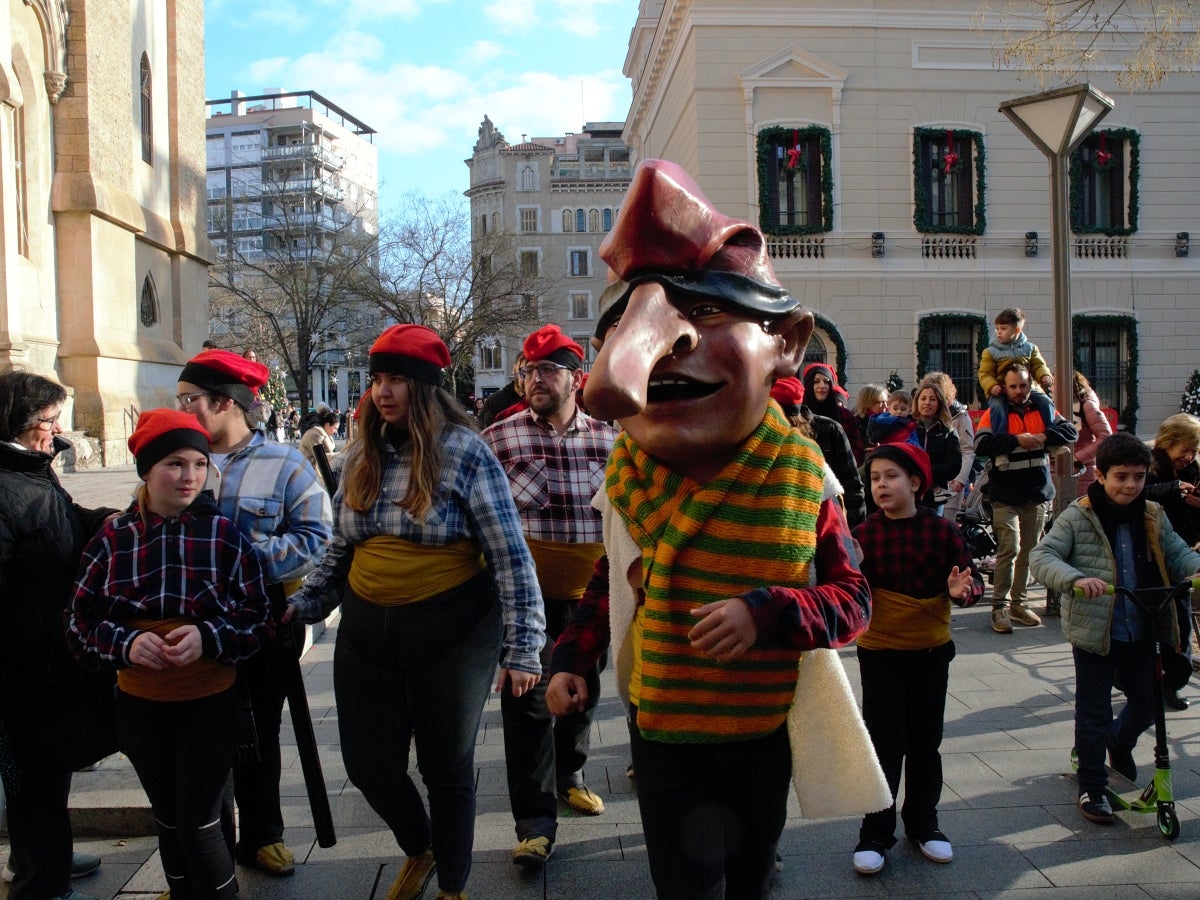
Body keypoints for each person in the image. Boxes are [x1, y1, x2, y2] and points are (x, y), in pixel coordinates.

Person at [545, 159, 888, 900]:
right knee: (684, 882)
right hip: (663, 728)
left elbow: (855, 599)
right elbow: (607, 584)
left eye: (704, 312)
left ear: (787, 343)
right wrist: (573, 656)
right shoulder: (627, 480)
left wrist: (769, 612)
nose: (660, 345)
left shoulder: (803, 479)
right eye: (625, 323)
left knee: (752, 876)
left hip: (757, 731)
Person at [288, 324, 546, 900]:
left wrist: (523, 647)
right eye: (378, 378)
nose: (383, 391)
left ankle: (453, 884)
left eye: (398, 380)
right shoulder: (360, 453)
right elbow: (340, 548)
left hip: (451, 633)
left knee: (445, 767)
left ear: (426, 387)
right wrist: (304, 606)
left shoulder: (466, 451)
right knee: (367, 766)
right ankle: (420, 845)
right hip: (365, 633)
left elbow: (509, 555)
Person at [66, 410, 272, 900]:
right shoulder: (114, 538)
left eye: (199, 464)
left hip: (209, 703)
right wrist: (127, 643)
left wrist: (209, 636)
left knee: (198, 822)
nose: (189, 477)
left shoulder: (223, 535)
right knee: (167, 817)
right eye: (175, 464)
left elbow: (257, 616)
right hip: (140, 709)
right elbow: (79, 623)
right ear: (147, 470)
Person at [176, 349, 333, 878]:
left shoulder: (285, 464)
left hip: (262, 620)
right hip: (188, 625)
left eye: (190, 400)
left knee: (260, 730)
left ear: (224, 403)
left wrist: (233, 560)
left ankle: (263, 836)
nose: (183, 409)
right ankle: (209, 851)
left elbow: (316, 540)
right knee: (201, 739)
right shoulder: (178, 459)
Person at [481, 324, 618, 867]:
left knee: (583, 688)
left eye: (547, 370)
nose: (535, 379)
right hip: (526, 598)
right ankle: (534, 823)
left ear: (576, 378)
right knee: (529, 703)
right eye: (528, 370)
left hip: (593, 595)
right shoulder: (501, 437)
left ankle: (570, 772)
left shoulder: (612, 437)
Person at [1029, 433, 1200, 824]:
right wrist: (1073, 578)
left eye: (1138, 477)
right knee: (1094, 709)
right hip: (1096, 630)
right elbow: (1043, 555)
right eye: (1120, 476)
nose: (1130, 485)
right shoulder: (1079, 514)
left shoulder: (1153, 513)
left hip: (1142, 625)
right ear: (1101, 476)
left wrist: (1195, 570)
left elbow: (1177, 554)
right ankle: (1092, 784)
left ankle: (1118, 741)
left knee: (1147, 702)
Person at [0, 369, 112, 900]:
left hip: (46, 651)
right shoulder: (6, 483)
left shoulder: (31, 470)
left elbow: (64, 519)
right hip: (23, 662)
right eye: (49, 420)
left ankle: (44, 855)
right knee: (34, 773)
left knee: (47, 767)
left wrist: (117, 520)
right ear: (18, 424)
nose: (58, 429)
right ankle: (40, 880)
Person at [850, 442, 981, 875]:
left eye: (891, 476)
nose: (881, 485)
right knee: (884, 744)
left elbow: (969, 580)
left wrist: (964, 592)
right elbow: (848, 589)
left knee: (926, 743)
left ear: (916, 483)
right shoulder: (863, 534)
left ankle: (924, 824)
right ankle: (875, 833)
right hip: (881, 655)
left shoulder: (942, 531)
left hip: (929, 653)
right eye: (875, 478)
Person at [975, 363, 1077, 634]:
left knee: (1030, 551)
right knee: (1011, 547)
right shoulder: (994, 413)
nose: (1019, 391)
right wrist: (1016, 440)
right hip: (1005, 494)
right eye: (1013, 386)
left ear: (1029, 383)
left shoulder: (1042, 407)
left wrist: (1045, 435)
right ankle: (1000, 606)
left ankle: (1019, 604)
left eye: (1023, 385)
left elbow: (1070, 431)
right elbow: (981, 446)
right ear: (1004, 388)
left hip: (1036, 493)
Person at [1145, 413, 1200, 710]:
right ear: (1168, 443)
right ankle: (1135, 677)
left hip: (1182, 559)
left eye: (1193, 450)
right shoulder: (1149, 466)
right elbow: (1136, 494)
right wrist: (1172, 491)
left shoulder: (1194, 470)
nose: (1188, 456)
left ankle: (1173, 682)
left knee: (1180, 625)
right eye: (1184, 449)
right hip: (1151, 558)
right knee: (1150, 624)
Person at [771, 376, 866, 527]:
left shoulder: (830, 430)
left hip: (826, 521)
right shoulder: (759, 434)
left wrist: (854, 530)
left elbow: (851, 484)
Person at [977, 308, 1054, 437]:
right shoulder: (990, 352)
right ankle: (1001, 441)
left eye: (1003, 329)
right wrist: (992, 386)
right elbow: (985, 374)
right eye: (997, 329)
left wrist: (1045, 376)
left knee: (1045, 401)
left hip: (1026, 389)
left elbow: (1038, 366)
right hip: (1001, 390)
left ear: (1017, 330)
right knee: (997, 407)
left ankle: (1051, 434)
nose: (998, 332)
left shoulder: (1030, 348)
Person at [919, 372, 975, 521]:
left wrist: (960, 479)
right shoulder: (920, 420)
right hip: (924, 484)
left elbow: (967, 449)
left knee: (946, 523)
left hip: (951, 482)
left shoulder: (960, 416)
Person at [801, 361, 866, 465]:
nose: (822, 385)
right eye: (816, 381)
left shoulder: (844, 415)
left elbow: (856, 449)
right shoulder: (800, 414)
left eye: (826, 381)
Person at [912, 382, 962, 508]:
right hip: (908, 496)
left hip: (934, 500)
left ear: (939, 403)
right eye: (923, 398)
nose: (927, 402)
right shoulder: (907, 428)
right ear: (917, 402)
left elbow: (954, 465)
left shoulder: (948, 431)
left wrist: (927, 473)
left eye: (932, 399)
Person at [1071, 371, 1113, 495]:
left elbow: (1105, 436)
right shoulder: (1054, 405)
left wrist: (1077, 458)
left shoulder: (1086, 405)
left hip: (1081, 470)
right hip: (1067, 468)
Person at [478, 353, 526, 428]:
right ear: (514, 369)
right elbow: (483, 431)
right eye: (524, 370)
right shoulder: (495, 401)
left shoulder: (540, 401)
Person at [298, 408, 339, 473]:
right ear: (327, 425)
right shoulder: (315, 435)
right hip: (308, 471)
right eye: (335, 428)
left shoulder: (321, 434)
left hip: (311, 469)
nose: (336, 431)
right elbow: (321, 458)